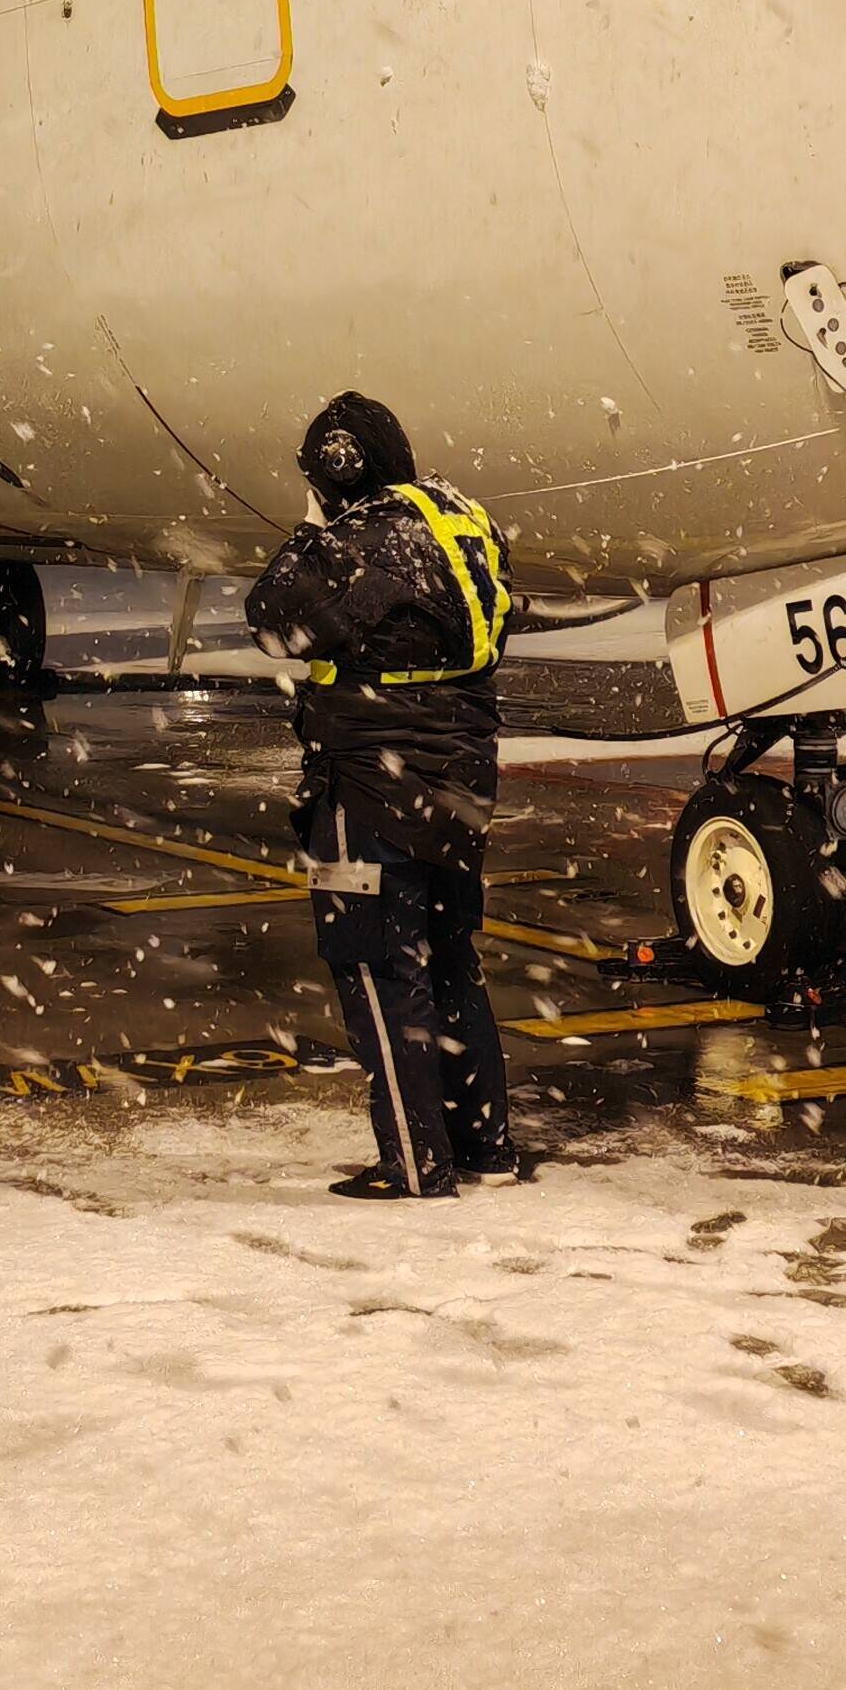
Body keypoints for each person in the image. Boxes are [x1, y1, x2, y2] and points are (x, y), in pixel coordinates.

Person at [243, 390, 526, 1200]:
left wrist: (308, 531)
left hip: (368, 788)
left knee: (375, 966)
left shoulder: (357, 543)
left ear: (338, 466)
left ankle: (414, 1160)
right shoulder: (463, 523)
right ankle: (484, 1146)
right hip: (458, 784)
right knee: (450, 964)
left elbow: (271, 621)